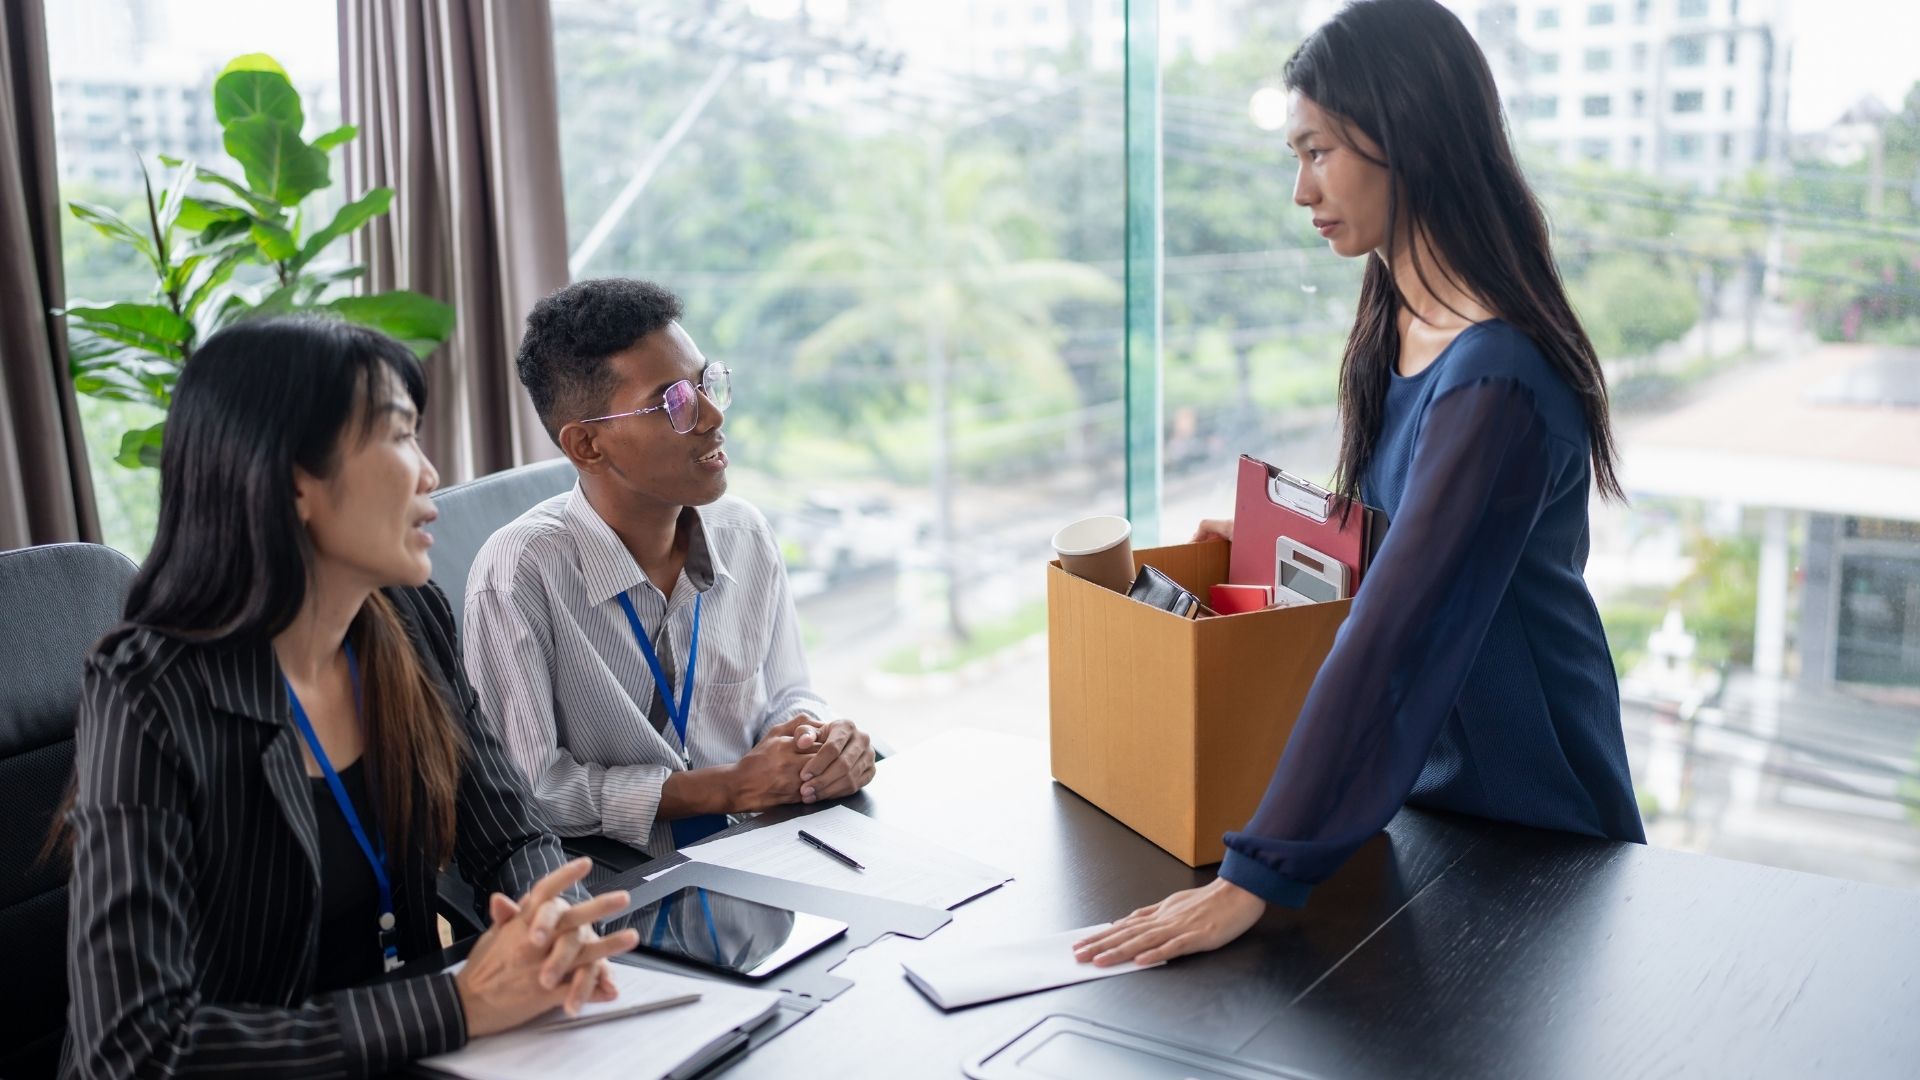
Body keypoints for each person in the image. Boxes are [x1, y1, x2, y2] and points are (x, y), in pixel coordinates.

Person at [1076, 0, 1646, 969]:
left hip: (1535, 824)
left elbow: (1399, 630)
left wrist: (1253, 876)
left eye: (1319, 152)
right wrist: (1280, 549)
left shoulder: (1497, 377)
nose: (1301, 190)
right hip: (1429, 797)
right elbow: (1412, 541)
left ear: (1406, 137)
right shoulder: (1400, 320)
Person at [61, 316, 642, 1079]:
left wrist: (549, 920)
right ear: (296, 477)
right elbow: (134, 1046)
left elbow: (506, 830)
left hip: (404, 1050)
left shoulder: (404, 619)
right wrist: (461, 1004)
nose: (430, 474)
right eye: (401, 437)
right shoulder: (147, 692)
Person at [464, 278, 876, 859]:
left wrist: (820, 742)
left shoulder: (744, 534)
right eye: (675, 402)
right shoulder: (519, 575)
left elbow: (788, 694)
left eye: (707, 384)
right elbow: (533, 791)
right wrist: (723, 789)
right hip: (615, 894)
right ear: (587, 446)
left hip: (764, 860)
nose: (711, 416)